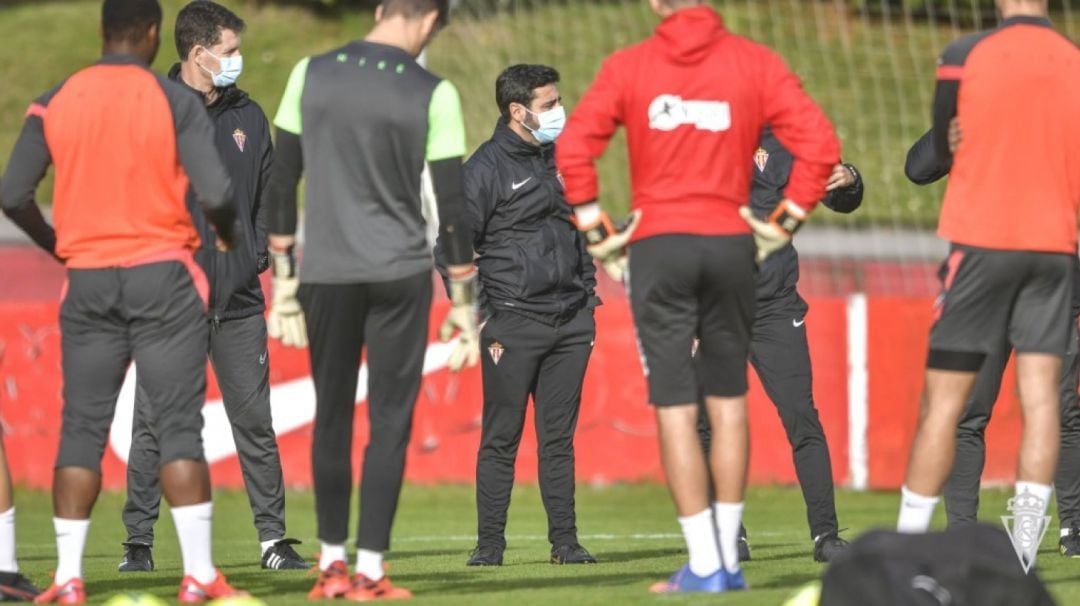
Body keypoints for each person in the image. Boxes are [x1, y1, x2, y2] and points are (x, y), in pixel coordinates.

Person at [556, 0, 840, 593]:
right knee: (729, 402)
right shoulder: (754, 63)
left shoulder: (629, 65)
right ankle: (728, 564)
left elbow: (574, 148)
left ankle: (705, 561)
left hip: (660, 250)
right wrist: (786, 219)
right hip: (733, 245)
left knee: (679, 409)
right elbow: (820, 143)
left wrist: (596, 230)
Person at [0, 0, 250, 602]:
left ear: (102, 31)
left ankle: (65, 579)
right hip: (162, 276)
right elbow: (216, 189)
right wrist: (223, 230)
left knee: (80, 429)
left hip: (87, 280)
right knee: (179, 430)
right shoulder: (173, 101)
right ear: (152, 34)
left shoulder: (55, 99)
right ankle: (198, 576)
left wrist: (60, 247)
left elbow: (12, 194)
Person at [265, 0, 478, 600]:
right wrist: (464, 304)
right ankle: (372, 573)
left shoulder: (309, 72)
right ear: (431, 20)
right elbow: (452, 210)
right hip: (400, 275)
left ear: (382, 7)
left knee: (330, 418)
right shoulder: (434, 91)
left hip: (325, 274)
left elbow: (282, 181)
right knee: (389, 425)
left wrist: (282, 281)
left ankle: (331, 567)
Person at [116, 0, 307, 575]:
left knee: (255, 423)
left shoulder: (250, 115)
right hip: (170, 303)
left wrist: (265, 260)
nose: (238, 61)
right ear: (198, 54)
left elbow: (272, 200)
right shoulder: (148, 109)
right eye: (229, 52)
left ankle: (273, 541)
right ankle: (137, 544)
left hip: (239, 301)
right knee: (153, 423)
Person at [895, 0, 1080, 571]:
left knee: (952, 406)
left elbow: (924, 162)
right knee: (1046, 401)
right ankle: (1019, 552)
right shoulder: (1074, 64)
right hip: (1053, 254)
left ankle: (912, 547)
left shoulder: (965, 57)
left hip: (981, 253)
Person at [435, 64, 599, 568]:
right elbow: (451, 247)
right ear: (518, 111)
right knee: (501, 438)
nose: (558, 112)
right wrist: (479, 315)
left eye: (557, 101)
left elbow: (583, 226)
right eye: (549, 105)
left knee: (558, 440)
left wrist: (587, 292)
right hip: (513, 321)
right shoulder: (482, 170)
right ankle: (490, 547)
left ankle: (565, 544)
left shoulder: (565, 158)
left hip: (571, 321)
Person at [699, 131, 862, 564]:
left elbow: (840, 194)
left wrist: (850, 179)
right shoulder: (695, 135)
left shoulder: (787, 140)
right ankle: (728, 534)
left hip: (774, 310)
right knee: (705, 425)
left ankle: (825, 535)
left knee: (801, 418)